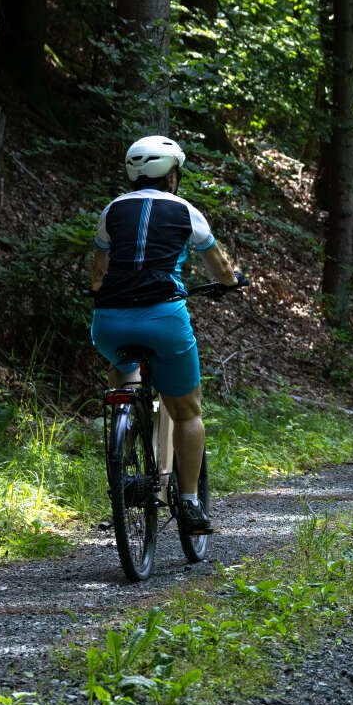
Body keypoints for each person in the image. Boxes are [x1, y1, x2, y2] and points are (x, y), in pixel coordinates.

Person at [89, 136, 241, 536]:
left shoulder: (112, 209)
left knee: (123, 367)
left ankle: (126, 433)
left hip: (109, 321)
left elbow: (98, 269)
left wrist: (97, 289)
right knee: (187, 412)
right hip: (164, 319)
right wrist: (230, 282)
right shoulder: (186, 211)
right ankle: (190, 504)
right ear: (173, 174)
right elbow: (220, 266)